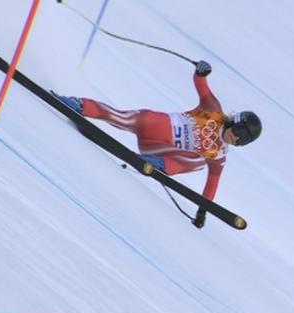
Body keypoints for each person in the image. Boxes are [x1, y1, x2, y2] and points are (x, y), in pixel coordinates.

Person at [55, 60, 262, 228]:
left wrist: (202, 210)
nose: (234, 139)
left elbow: (212, 183)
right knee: (122, 118)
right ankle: (75, 104)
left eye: (240, 142)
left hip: (160, 153)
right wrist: (201, 73)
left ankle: (154, 164)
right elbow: (202, 86)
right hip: (155, 127)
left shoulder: (220, 154)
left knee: (200, 161)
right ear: (234, 123)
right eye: (238, 133)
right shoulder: (214, 110)